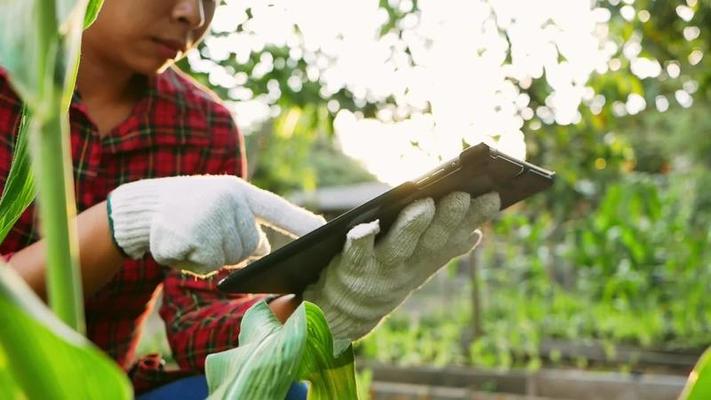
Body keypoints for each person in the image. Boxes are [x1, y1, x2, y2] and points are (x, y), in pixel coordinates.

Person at [0, 0, 500, 398]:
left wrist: (314, 310)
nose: (193, 15)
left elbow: (197, 319)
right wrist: (122, 223)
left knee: (274, 390)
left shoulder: (200, 124)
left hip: (107, 386)